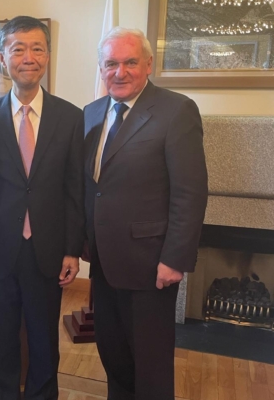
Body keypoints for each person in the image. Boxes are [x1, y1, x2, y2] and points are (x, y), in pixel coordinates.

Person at [0, 16, 85, 400]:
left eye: (36, 48)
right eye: (18, 49)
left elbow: (74, 189)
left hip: (47, 251)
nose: (28, 57)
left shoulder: (71, 117)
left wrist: (72, 248)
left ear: (48, 55)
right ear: (3, 57)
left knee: (44, 339)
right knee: (0, 339)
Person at [84, 27, 208, 400]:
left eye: (130, 62)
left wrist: (175, 259)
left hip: (151, 264)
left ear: (148, 64)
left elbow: (190, 192)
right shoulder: (91, 113)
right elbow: (91, 186)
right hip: (103, 262)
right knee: (113, 354)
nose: (119, 72)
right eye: (111, 64)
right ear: (101, 68)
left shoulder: (176, 110)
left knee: (150, 366)